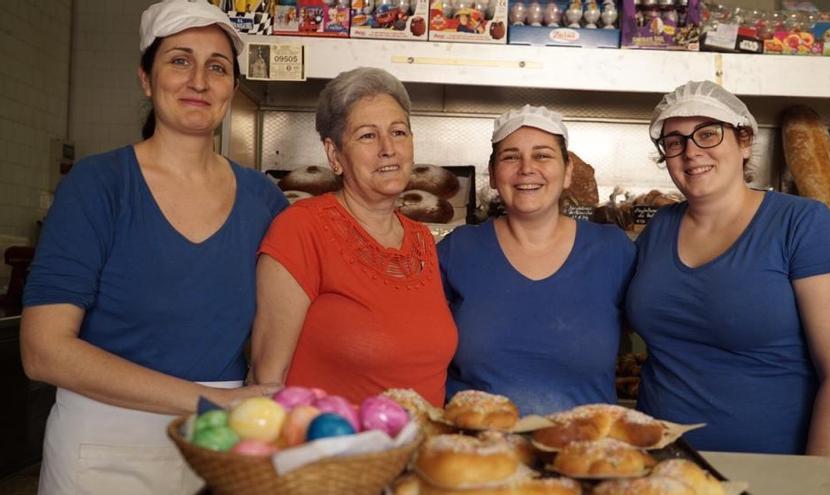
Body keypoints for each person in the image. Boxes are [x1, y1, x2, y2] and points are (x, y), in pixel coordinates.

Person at [20, 1, 288, 493]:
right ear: (146, 78)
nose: (199, 81)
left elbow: (283, 321)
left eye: (217, 67)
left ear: (232, 87)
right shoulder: (99, 185)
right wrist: (211, 400)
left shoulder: (264, 201)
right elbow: (44, 351)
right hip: (102, 446)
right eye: (179, 60)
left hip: (221, 448)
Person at [625, 81, 830, 456]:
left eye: (708, 134)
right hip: (661, 465)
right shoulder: (658, 228)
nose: (691, 152)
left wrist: (819, 481)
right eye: (675, 142)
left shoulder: (804, 225)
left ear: (744, 142)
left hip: (776, 470)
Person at [249, 67, 458, 407]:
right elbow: (267, 379)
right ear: (334, 156)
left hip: (418, 453)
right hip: (336, 454)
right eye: (367, 136)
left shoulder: (421, 240)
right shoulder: (301, 229)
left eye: (399, 132)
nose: (388, 148)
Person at [437, 105, 636, 415]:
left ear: (568, 171)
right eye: (510, 156)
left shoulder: (613, 251)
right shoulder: (457, 251)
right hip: (481, 450)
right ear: (492, 174)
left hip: (584, 453)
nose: (526, 168)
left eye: (542, 155)